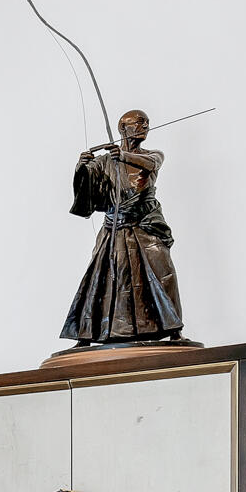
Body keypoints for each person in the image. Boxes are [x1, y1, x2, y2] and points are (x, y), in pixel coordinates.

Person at [61, 108, 187, 345]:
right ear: (123, 128)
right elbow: (88, 192)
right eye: (139, 123)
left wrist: (124, 156)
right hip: (115, 229)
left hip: (146, 226)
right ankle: (88, 332)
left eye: (147, 123)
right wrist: (82, 168)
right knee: (106, 279)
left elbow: (151, 164)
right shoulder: (105, 162)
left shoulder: (153, 155)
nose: (145, 127)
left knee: (163, 274)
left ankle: (173, 329)